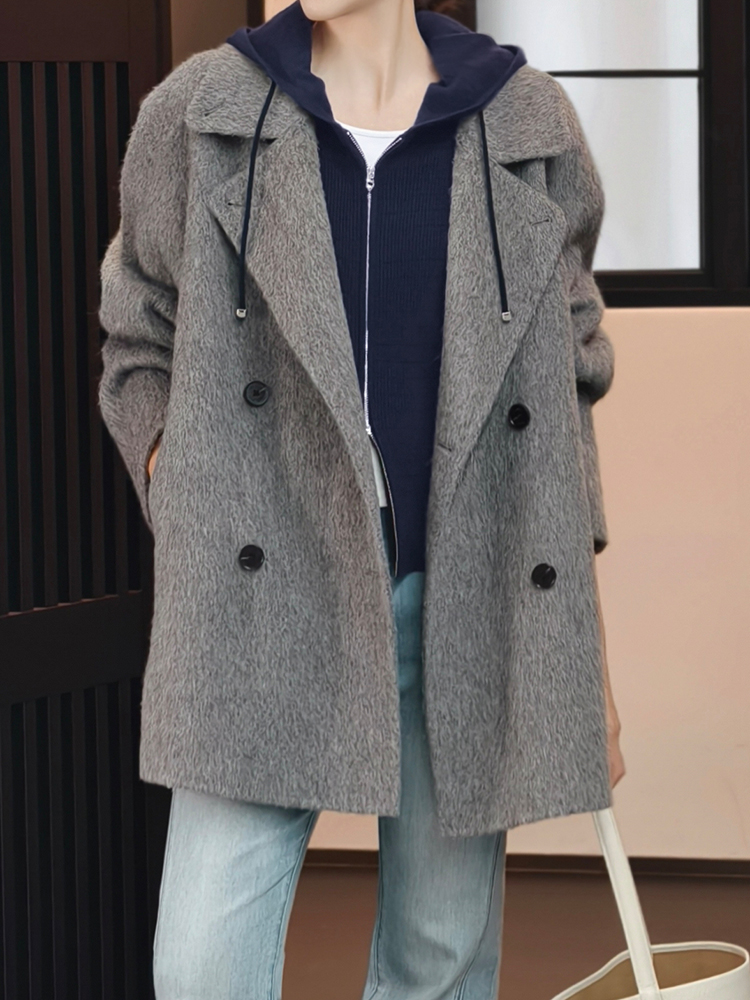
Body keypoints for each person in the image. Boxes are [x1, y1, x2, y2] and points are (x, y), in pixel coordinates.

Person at [97, 0, 625, 996]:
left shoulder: (525, 120)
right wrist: (184, 480)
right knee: (202, 967)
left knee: (439, 957)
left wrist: (579, 646)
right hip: (263, 587)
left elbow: (566, 387)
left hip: (462, 588)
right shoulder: (203, 110)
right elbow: (137, 330)